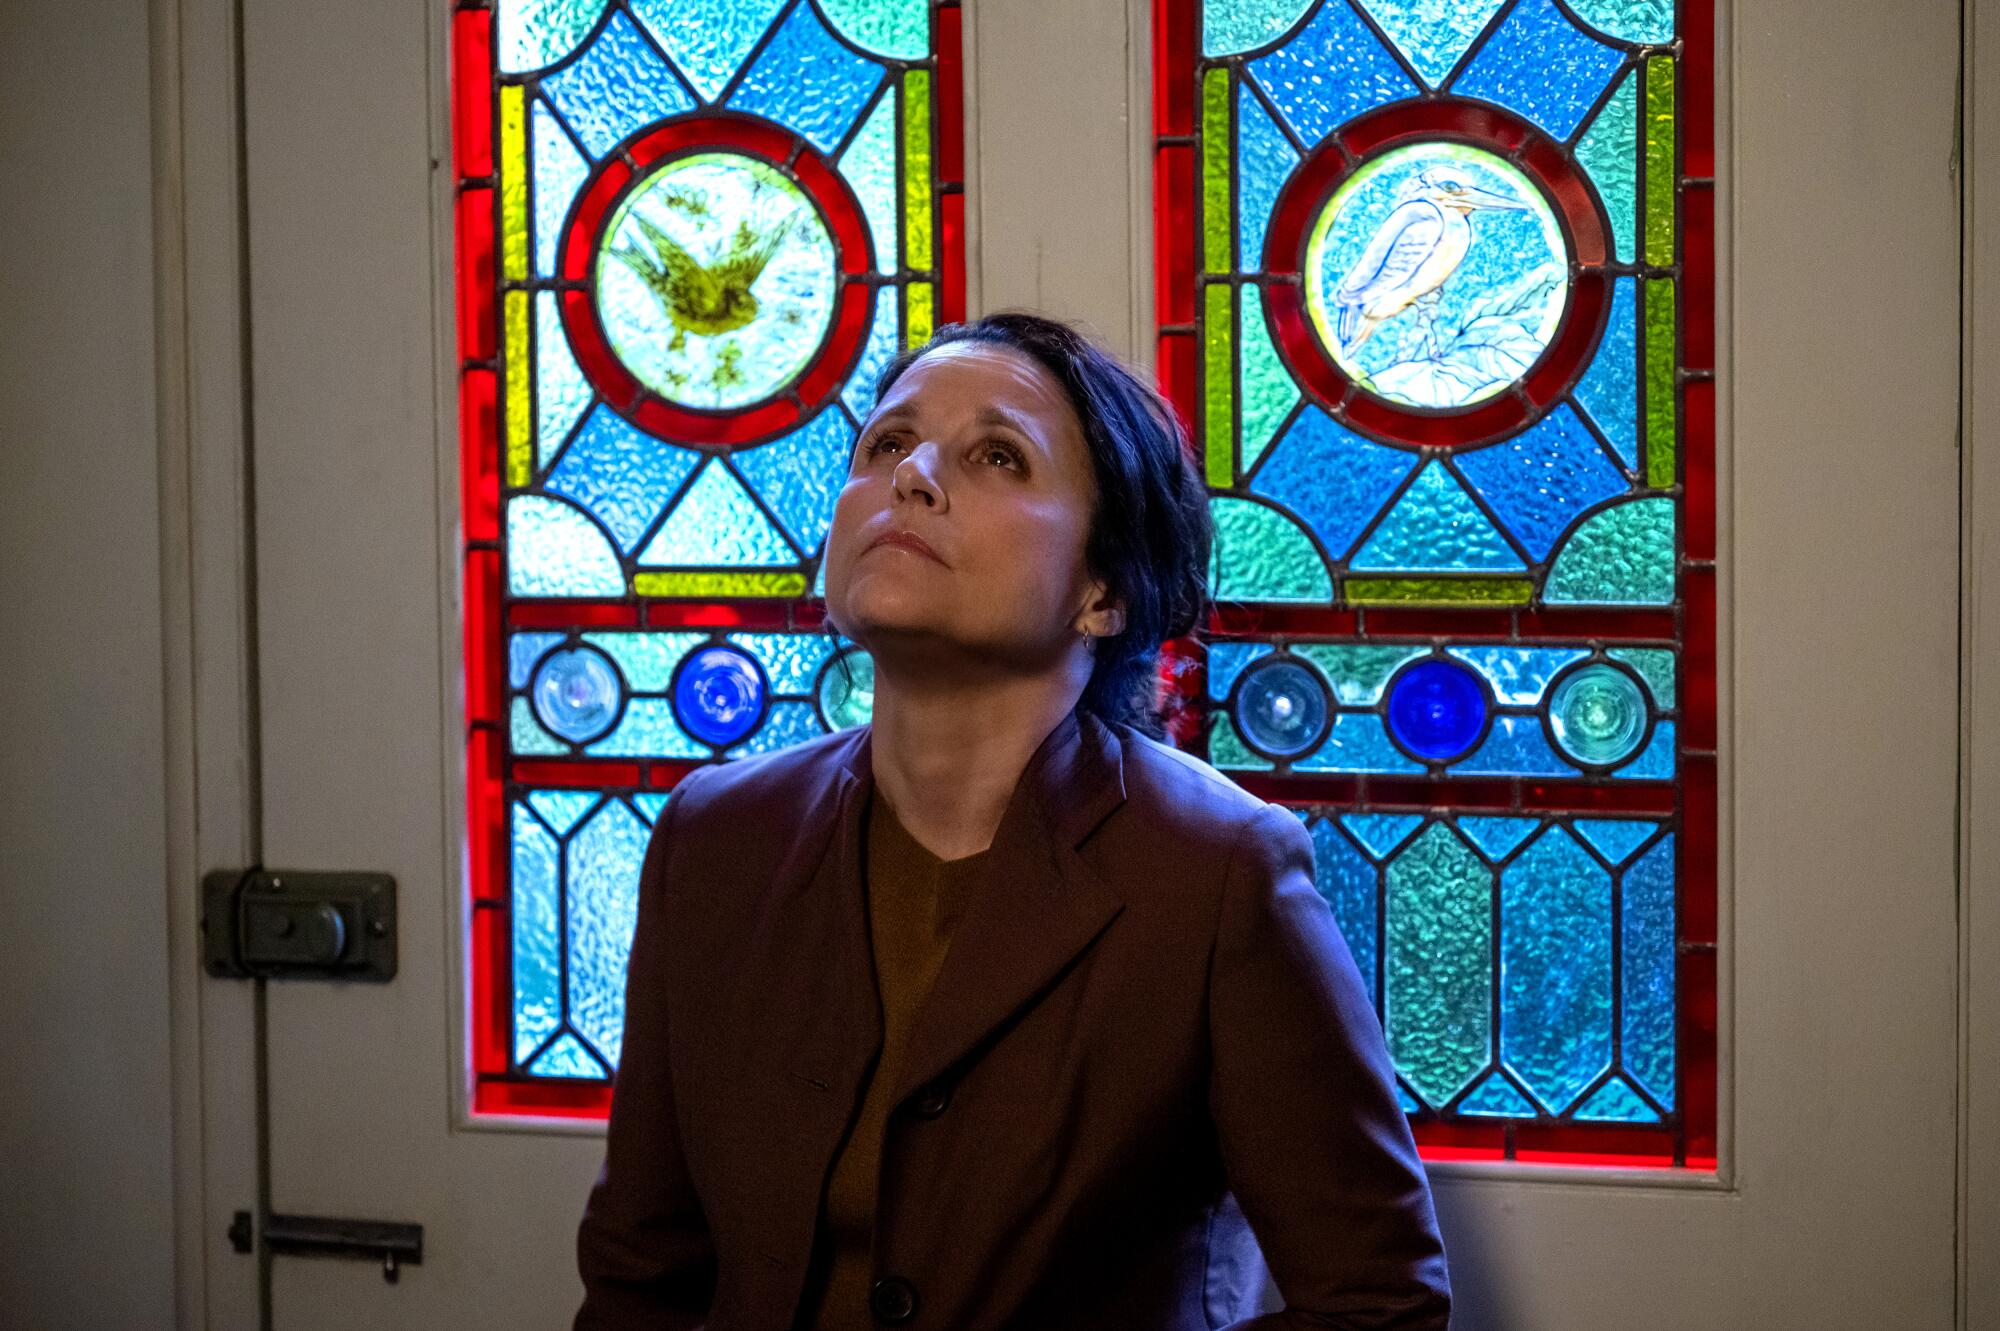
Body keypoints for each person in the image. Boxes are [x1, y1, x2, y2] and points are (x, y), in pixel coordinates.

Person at [574, 312, 1451, 1329]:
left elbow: (1375, 1302)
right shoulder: (715, 837)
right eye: (887, 442)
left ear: (1103, 591)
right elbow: (641, 1274)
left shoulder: (1214, 872)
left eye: (997, 454)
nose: (913, 475)